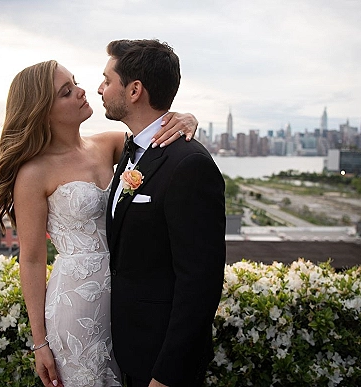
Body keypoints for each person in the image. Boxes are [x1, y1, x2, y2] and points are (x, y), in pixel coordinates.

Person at [0, 60, 198, 387]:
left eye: (75, 83)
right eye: (66, 92)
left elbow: (152, 132)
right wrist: (39, 342)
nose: (83, 92)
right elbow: (31, 259)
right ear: (43, 109)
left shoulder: (109, 144)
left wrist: (185, 118)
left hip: (126, 299)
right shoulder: (33, 173)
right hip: (75, 303)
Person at [99, 39, 226, 387]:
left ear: (135, 89)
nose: (100, 89)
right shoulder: (132, 149)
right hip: (126, 351)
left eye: (107, 80)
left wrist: (167, 374)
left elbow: (200, 283)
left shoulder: (190, 165)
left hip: (161, 365)